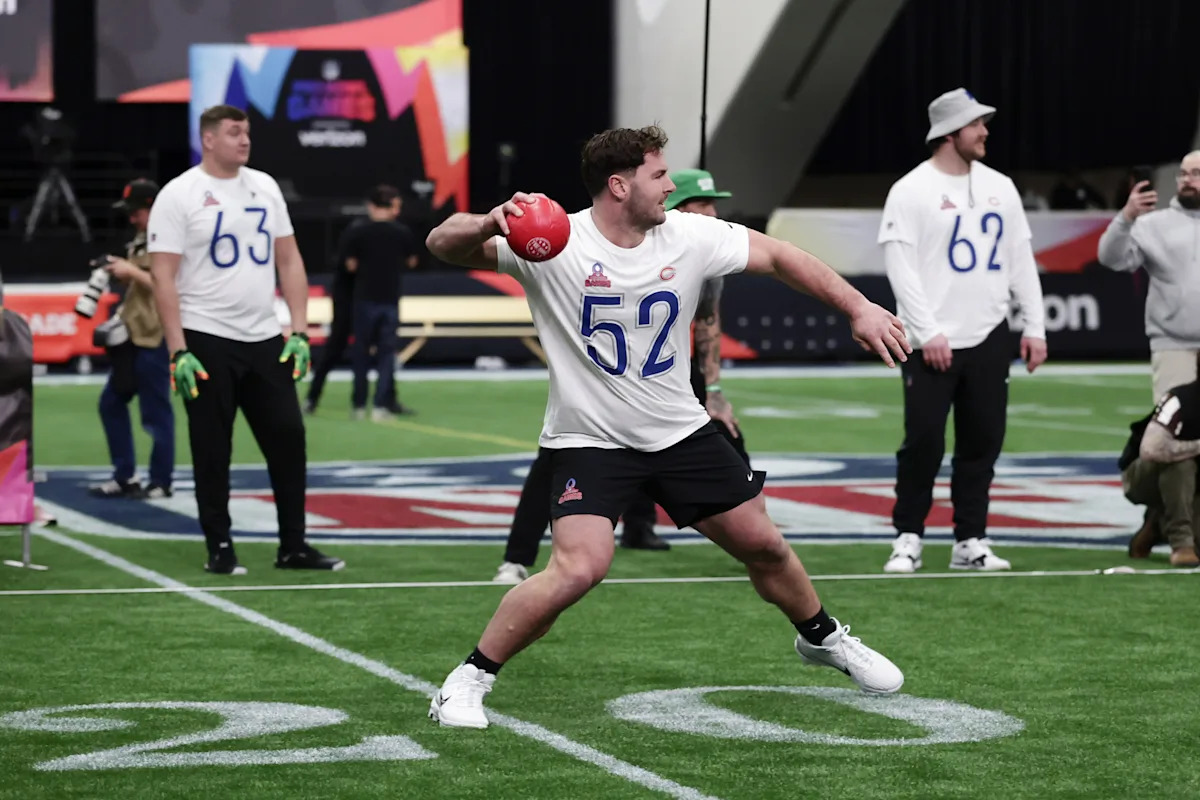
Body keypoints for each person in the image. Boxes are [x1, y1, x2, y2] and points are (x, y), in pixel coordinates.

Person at [425, 125, 911, 729]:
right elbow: (441, 244)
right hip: (591, 438)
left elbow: (782, 256)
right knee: (579, 568)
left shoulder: (688, 234)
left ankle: (822, 638)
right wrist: (487, 222)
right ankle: (468, 679)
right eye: (658, 175)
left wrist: (859, 307)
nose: (669, 186)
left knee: (763, 544)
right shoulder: (554, 241)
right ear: (618, 185)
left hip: (679, 430)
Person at [492, 167, 749, 583]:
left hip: (668, 367)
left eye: (713, 204)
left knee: (721, 442)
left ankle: (669, 530)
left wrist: (714, 388)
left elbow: (708, 321)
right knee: (556, 462)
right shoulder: (610, 243)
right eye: (701, 204)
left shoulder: (707, 245)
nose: (712, 213)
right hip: (604, 369)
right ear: (676, 205)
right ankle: (516, 556)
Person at [147, 103, 343, 575]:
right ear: (208, 138)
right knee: (212, 446)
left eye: (247, 131)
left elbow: (289, 260)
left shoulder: (265, 186)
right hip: (205, 334)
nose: (244, 139)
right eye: (234, 132)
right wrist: (178, 350)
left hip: (263, 334)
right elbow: (162, 276)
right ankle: (220, 545)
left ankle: (293, 544)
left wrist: (299, 329)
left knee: (289, 438)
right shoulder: (179, 193)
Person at [878, 88, 1047, 575]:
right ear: (951, 133)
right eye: (976, 124)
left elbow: (1020, 260)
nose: (985, 131)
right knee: (923, 443)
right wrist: (927, 331)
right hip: (929, 340)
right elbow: (901, 268)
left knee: (982, 442)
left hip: (989, 332)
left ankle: (970, 539)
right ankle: (908, 537)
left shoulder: (1001, 186)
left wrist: (1034, 325)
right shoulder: (910, 189)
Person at [88, 179, 175, 500]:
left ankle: (161, 481)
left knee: (155, 412)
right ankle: (125, 476)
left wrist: (132, 271)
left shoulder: (171, 238)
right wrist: (117, 269)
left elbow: (171, 285)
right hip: (133, 334)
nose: (132, 218)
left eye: (137, 211)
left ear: (153, 207)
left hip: (155, 335)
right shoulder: (142, 239)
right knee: (111, 403)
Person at [1098, 151, 1200, 401]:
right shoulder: (1152, 225)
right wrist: (1126, 217)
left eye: (1196, 174)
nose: (1187, 180)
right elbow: (1110, 258)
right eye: (1183, 174)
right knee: (1174, 423)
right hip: (1173, 345)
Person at [344, 184, 420, 420]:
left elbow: (350, 265)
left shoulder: (358, 231)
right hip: (389, 299)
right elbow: (412, 261)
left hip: (364, 299)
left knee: (361, 353)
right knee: (386, 354)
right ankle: (380, 405)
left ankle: (358, 405)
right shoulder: (402, 232)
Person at [1117, 363, 1200, 567]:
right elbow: (1151, 450)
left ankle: (1156, 525)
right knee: (1181, 463)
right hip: (1143, 476)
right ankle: (1181, 545)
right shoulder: (1180, 400)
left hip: (1194, 485)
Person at [303, 214, 362, 415]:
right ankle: (313, 397)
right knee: (336, 348)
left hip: (363, 301)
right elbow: (351, 267)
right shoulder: (353, 242)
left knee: (370, 352)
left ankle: (370, 400)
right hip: (349, 302)